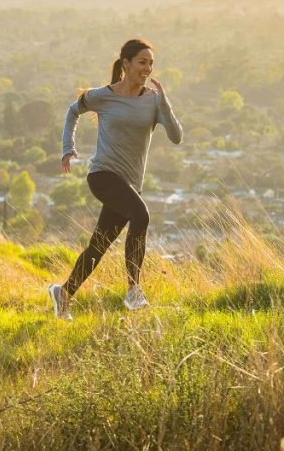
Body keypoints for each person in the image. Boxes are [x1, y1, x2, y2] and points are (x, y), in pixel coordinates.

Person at [49, 39, 183, 319]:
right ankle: (134, 290)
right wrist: (67, 147)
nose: (147, 68)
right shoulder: (103, 95)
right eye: (141, 62)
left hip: (130, 184)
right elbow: (73, 111)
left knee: (99, 246)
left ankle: (62, 293)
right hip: (103, 174)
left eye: (151, 63)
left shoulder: (152, 101)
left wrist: (165, 103)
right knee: (141, 215)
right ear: (126, 64)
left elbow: (176, 137)